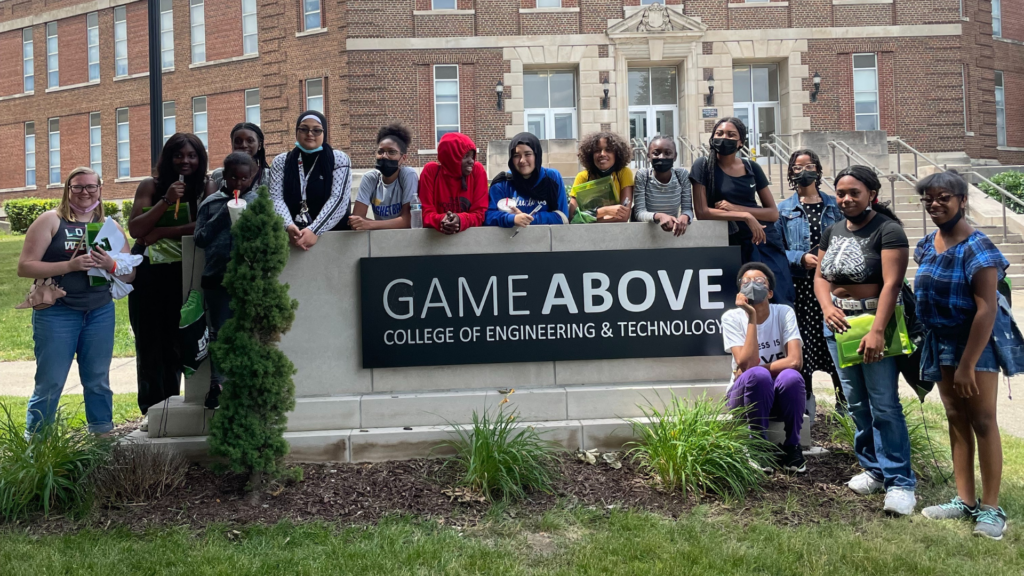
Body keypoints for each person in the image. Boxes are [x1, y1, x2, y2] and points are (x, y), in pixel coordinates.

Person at [914, 170, 1022, 539]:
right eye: (928, 198)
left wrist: (967, 365)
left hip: (974, 344)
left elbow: (987, 310)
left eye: (943, 197)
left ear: (962, 200)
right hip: (940, 340)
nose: (934, 204)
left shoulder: (978, 248)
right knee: (955, 415)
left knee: (983, 420)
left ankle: (992, 509)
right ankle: (965, 499)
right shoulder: (929, 243)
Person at [813, 165, 916, 515]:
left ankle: (900, 482)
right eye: (841, 193)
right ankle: (873, 469)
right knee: (856, 402)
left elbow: (892, 283)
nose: (846, 199)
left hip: (875, 323)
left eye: (854, 192)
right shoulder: (833, 230)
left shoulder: (888, 230)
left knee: (884, 404)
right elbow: (820, 276)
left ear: (871, 194)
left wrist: (876, 331)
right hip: (838, 326)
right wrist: (827, 307)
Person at [18, 167, 136, 434]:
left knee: (97, 381)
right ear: (68, 190)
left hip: (99, 311)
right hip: (57, 312)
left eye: (91, 187)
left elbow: (130, 276)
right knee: (50, 382)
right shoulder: (51, 220)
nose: (85, 192)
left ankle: (102, 440)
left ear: (100, 189)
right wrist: (69, 267)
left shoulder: (111, 227)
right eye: (78, 187)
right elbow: (25, 267)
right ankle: (38, 447)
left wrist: (111, 265)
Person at [128, 133, 208, 427]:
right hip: (150, 275)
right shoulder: (151, 186)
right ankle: (153, 411)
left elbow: (205, 224)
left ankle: (184, 407)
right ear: (167, 158)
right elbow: (136, 228)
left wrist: (162, 232)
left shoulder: (206, 187)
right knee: (150, 343)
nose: (185, 161)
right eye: (178, 155)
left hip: (186, 274)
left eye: (192, 155)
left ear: (200, 159)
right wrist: (165, 201)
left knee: (181, 343)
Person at [690, 117, 795, 305]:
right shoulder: (703, 166)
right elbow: (702, 212)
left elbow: (772, 213)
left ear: (740, 142)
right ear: (712, 138)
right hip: (731, 244)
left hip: (764, 241)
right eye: (719, 133)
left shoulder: (751, 167)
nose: (724, 138)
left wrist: (738, 209)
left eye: (731, 135)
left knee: (778, 298)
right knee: (740, 302)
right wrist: (745, 216)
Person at [776, 149, 847, 408]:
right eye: (797, 166)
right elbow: (776, 249)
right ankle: (805, 405)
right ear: (791, 172)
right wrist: (799, 258)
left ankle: (845, 404)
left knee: (838, 340)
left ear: (818, 169)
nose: (803, 170)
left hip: (833, 285)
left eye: (809, 165)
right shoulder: (782, 209)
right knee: (802, 345)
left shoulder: (835, 205)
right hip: (800, 288)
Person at [721, 263, 807, 473]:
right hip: (745, 399)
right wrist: (751, 316)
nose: (752, 285)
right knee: (758, 375)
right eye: (746, 282)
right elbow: (748, 365)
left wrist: (758, 368)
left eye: (759, 281)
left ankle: (792, 446)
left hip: (777, 396)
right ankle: (757, 445)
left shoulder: (784, 312)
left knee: (791, 377)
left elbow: (795, 361)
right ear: (740, 293)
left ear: (769, 292)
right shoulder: (731, 317)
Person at [193, 152, 259, 410]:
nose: (239, 183)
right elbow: (200, 239)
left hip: (248, 280)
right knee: (218, 333)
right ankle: (216, 385)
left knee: (249, 332)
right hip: (216, 277)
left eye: (245, 178)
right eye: (233, 177)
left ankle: (247, 387)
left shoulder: (258, 202)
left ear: (252, 177)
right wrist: (223, 214)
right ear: (224, 174)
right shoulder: (211, 202)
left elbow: (268, 238)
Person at [269, 110, 352, 250]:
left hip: (333, 239)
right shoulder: (281, 161)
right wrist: (288, 226)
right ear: (296, 131)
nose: (310, 134)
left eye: (317, 130)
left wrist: (315, 230)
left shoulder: (339, 159)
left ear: (324, 133)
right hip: (292, 238)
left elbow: (339, 199)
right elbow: (276, 198)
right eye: (304, 129)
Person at [486, 132, 569, 227]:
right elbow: (488, 217)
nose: (522, 160)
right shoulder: (503, 182)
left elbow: (563, 217)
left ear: (537, 156)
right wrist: (512, 219)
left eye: (528, 154)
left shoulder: (552, 178)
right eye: (516, 155)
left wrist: (527, 219)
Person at [349, 123, 418, 230]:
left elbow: (408, 220)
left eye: (392, 152)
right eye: (380, 151)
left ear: (403, 158)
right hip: (380, 239)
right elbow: (356, 219)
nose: (384, 156)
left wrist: (370, 224)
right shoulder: (370, 178)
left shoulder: (408, 175)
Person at [418, 132, 487, 234]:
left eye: (472, 156)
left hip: (470, 242)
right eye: (465, 156)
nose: (471, 161)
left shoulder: (477, 171)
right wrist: (442, 220)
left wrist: (460, 219)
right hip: (436, 241)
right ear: (451, 157)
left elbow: (481, 213)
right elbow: (424, 213)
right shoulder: (431, 172)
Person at [631, 135, 693, 236]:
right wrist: (659, 216)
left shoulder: (681, 175)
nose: (662, 157)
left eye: (668, 153)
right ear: (648, 156)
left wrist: (685, 217)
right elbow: (639, 213)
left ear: (675, 156)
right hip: (645, 235)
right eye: (656, 153)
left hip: (670, 235)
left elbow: (687, 209)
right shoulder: (643, 176)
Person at [569, 131, 633, 223]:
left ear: (617, 154)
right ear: (590, 154)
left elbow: (623, 216)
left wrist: (587, 218)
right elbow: (572, 216)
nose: (602, 154)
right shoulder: (582, 177)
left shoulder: (624, 173)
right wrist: (604, 211)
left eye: (608, 150)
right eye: (597, 150)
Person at [206, 122, 269, 195]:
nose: (244, 145)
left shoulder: (269, 176)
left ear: (260, 145)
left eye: (250, 141)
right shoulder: (218, 175)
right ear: (232, 144)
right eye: (238, 141)